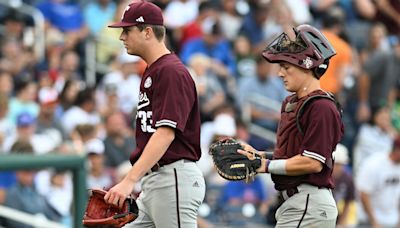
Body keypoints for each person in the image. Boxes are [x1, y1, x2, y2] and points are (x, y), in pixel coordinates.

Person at [106, 1, 206, 228]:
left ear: (147, 32)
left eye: (127, 30)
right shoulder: (155, 70)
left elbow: (165, 133)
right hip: (156, 181)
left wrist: (129, 180)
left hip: (173, 177)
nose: (122, 37)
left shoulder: (171, 71)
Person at [238, 24, 344, 227]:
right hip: (297, 203)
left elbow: (313, 162)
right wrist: (258, 156)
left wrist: (266, 166)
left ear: (306, 65)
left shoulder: (321, 106)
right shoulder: (292, 102)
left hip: (309, 203)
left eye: (286, 67)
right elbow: (291, 155)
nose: (279, 73)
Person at [355, 136, 400, 228]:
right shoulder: (374, 163)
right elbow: (364, 194)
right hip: (368, 221)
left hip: (392, 220)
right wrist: (374, 222)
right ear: (397, 150)